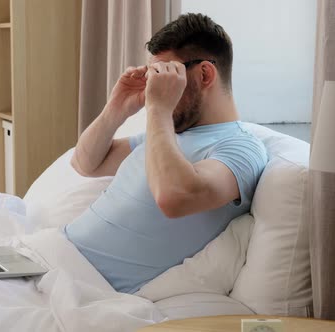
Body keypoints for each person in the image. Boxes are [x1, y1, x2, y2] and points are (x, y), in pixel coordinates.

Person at [65, 13, 268, 294]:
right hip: (55, 256)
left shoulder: (241, 148)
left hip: (85, 286)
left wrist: (158, 109)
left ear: (205, 74)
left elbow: (175, 198)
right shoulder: (170, 134)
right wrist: (117, 106)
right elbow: (85, 163)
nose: (153, 89)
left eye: (164, 75)